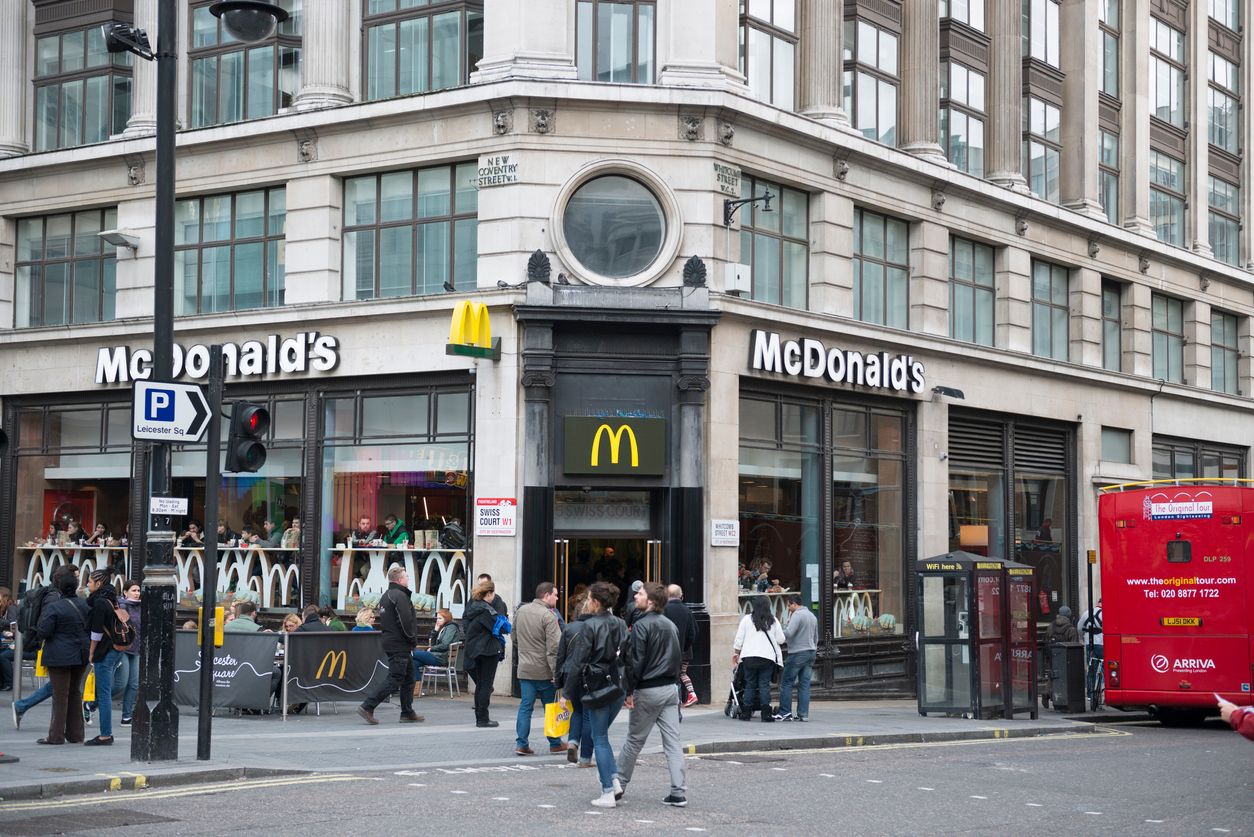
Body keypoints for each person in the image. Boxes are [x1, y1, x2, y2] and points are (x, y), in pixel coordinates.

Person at [615, 581, 688, 808]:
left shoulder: (641, 626)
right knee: (673, 743)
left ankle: (618, 784)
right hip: (669, 689)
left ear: (651, 602)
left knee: (634, 740)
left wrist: (628, 691)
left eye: (641, 593)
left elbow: (634, 662)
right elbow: (678, 658)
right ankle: (678, 792)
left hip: (648, 689)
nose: (636, 595)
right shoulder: (670, 625)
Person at [564, 581, 627, 808]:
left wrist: (566, 694)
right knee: (603, 737)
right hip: (618, 687)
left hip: (598, 687)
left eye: (589, 599)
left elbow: (577, 662)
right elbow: (628, 656)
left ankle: (608, 791)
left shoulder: (589, 626)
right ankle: (614, 781)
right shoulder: (620, 624)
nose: (587, 602)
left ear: (596, 602)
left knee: (599, 739)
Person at [357, 566, 423, 725]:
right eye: (406, 576)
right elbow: (405, 622)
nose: (408, 578)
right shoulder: (399, 596)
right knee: (395, 678)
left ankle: (407, 712)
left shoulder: (387, 595)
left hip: (392, 642)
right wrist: (412, 639)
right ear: (399, 579)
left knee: (408, 678)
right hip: (400, 643)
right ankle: (368, 706)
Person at [36, 568, 90, 745]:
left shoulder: (55, 606)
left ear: (59, 587)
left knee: (60, 695)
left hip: (59, 655)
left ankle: (56, 735)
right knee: (75, 693)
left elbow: (44, 630)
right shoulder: (84, 605)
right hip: (81, 653)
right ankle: (76, 735)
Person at [513, 581, 564, 756]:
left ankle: (521, 744)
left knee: (525, 706)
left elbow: (514, 637)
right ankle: (555, 742)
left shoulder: (521, 611)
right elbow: (554, 648)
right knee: (550, 707)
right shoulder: (549, 616)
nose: (557, 598)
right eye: (555, 595)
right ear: (546, 595)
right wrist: (557, 673)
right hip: (544, 670)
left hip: (525, 667)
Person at [84, 569, 130, 745]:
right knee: (106, 691)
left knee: (104, 693)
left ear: (98, 584)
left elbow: (96, 632)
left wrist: (91, 653)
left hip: (105, 650)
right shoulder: (112, 600)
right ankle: (103, 729)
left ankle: (105, 734)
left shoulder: (99, 603)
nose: (87, 585)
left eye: (89, 582)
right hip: (117, 648)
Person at [732, 595, 785, 722]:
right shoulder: (773, 621)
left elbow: (739, 639)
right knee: (764, 685)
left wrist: (736, 653)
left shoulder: (746, 619)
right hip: (767, 658)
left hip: (749, 658)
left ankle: (746, 713)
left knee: (750, 684)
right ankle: (766, 714)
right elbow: (781, 639)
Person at [555, 595, 595, 766]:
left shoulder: (569, 628)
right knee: (588, 716)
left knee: (576, 711)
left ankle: (572, 742)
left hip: (569, 674)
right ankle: (585, 757)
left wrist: (558, 681)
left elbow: (560, 656)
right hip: (589, 675)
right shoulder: (596, 627)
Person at [462, 579, 506, 728]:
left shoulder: (473, 608)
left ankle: (480, 717)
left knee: (480, 684)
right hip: (488, 650)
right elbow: (500, 628)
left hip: (475, 650)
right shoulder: (486, 611)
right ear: (489, 593)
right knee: (486, 684)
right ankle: (483, 718)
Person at [776, 595, 817, 722]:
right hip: (811, 652)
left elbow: (789, 633)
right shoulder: (812, 616)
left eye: (788, 605)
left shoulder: (797, 615)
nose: (788, 608)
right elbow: (816, 637)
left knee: (786, 683)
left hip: (798, 653)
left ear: (794, 604)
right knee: (804, 685)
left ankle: (785, 712)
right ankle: (803, 714)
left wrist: (776, 634)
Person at [663, 584, 699, 707]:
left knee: (672, 676)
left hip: (668, 651)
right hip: (684, 651)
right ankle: (690, 694)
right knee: (681, 673)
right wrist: (684, 647)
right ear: (681, 596)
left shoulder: (664, 610)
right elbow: (694, 633)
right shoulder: (687, 611)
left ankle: (676, 701)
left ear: (667, 596)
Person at [113, 580, 142, 726]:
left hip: (136, 649)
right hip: (123, 648)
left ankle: (127, 716)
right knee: (121, 683)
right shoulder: (122, 605)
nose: (137, 593)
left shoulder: (142, 606)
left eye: (138, 590)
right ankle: (93, 703)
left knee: (134, 684)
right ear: (125, 592)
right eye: (133, 590)